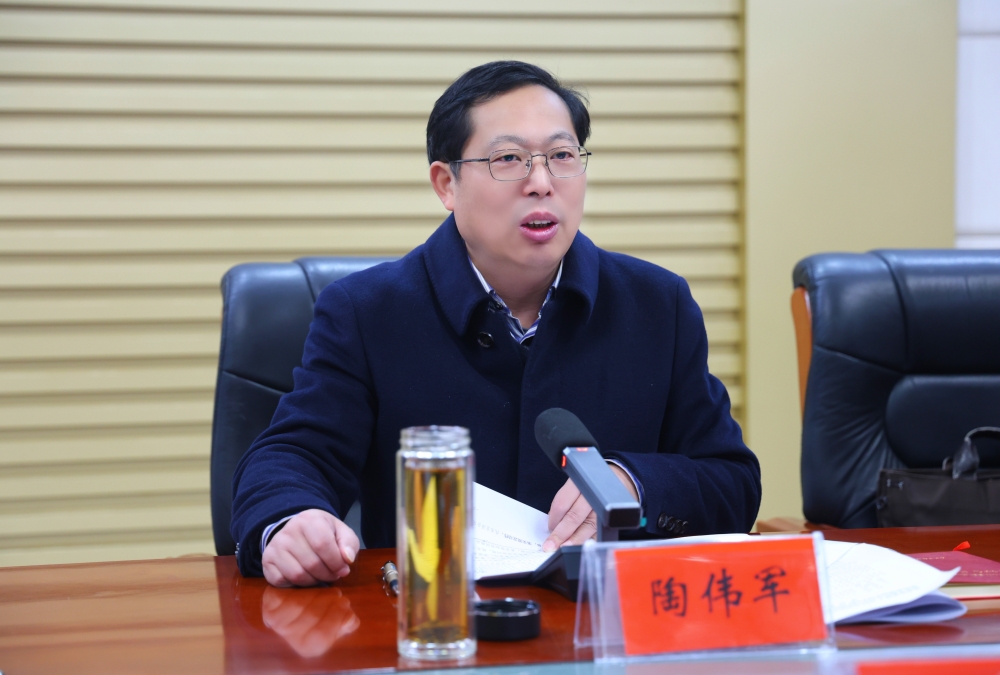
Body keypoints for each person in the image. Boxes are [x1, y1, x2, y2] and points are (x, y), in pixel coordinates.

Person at [231, 61, 761, 587]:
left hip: (603, 616)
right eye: (509, 158)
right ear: (447, 184)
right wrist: (290, 519)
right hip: (435, 616)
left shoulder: (656, 304)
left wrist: (636, 483)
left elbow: (731, 481)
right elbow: (292, 454)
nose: (541, 183)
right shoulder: (367, 312)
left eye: (562, 156)